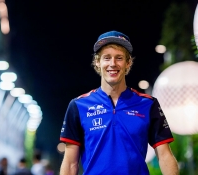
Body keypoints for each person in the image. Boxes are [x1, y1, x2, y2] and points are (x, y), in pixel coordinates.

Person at [59, 30, 179, 175]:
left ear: (128, 63)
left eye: (119, 58)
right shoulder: (78, 106)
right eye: (107, 58)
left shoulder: (148, 104)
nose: (113, 64)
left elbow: (165, 155)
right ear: (97, 62)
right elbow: (70, 163)